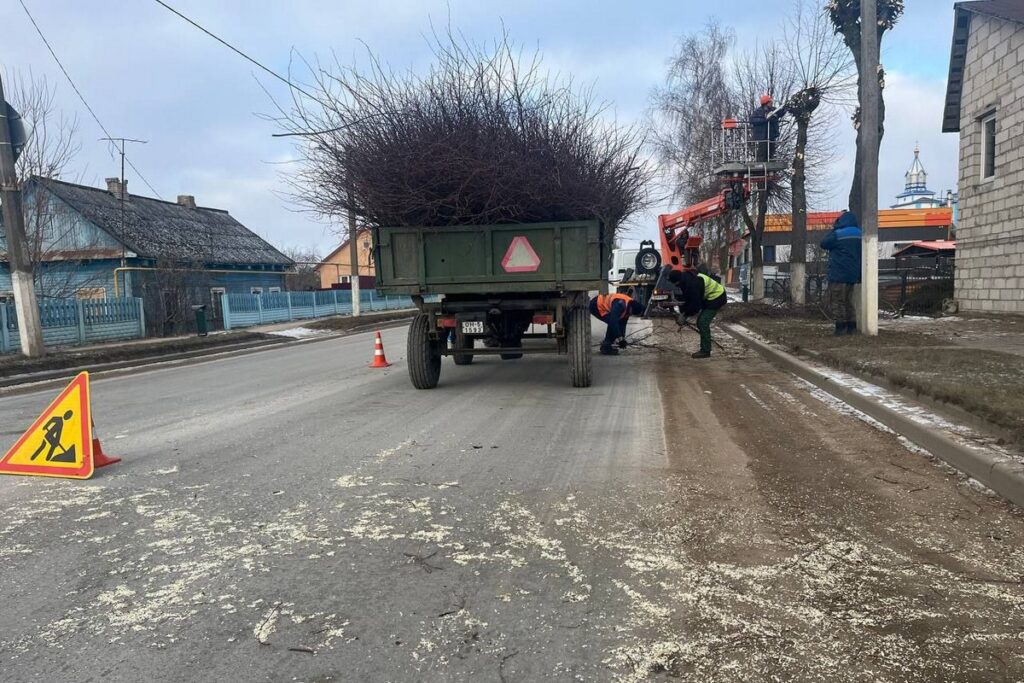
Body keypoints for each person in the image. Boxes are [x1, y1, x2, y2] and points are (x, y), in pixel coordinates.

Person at [668, 268, 727, 358]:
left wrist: (685, 315)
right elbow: (687, 299)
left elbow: (695, 304)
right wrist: (682, 312)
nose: (676, 286)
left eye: (675, 284)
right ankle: (705, 348)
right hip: (708, 299)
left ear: (677, 281)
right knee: (700, 322)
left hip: (717, 297)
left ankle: (705, 351)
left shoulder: (693, 283)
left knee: (703, 322)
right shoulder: (685, 280)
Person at [820, 210, 862, 335]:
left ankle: (840, 328)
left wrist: (835, 228)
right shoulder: (860, 233)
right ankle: (852, 327)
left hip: (839, 273)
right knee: (849, 301)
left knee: (838, 301)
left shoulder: (838, 234)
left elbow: (824, 243)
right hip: (853, 274)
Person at [748, 94, 787, 162]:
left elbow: (780, 113)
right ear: (766, 103)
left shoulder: (774, 110)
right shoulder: (758, 112)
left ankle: (770, 161)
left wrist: (786, 107)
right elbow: (752, 120)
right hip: (762, 136)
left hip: (771, 135)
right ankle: (760, 164)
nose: (771, 103)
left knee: (771, 151)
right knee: (762, 152)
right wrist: (764, 120)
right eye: (770, 102)